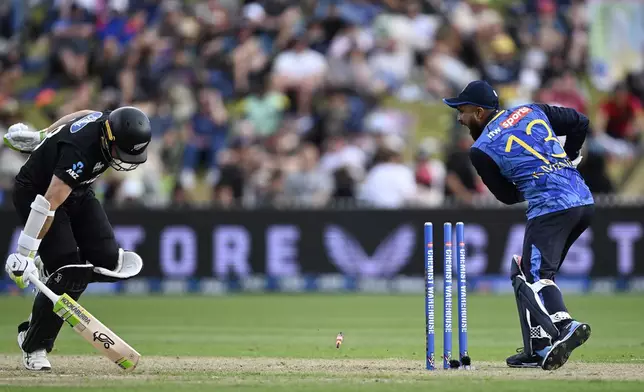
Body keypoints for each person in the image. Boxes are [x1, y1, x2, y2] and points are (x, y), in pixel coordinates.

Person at [443, 81, 594, 371]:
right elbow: (580, 122)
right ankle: (537, 349)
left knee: (534, 276)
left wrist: (533, 181)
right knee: (525, 273)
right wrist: (568, 160)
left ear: (478, 112)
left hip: (550, 209)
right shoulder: (530, 110)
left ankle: (564, 326)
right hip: (583, 201)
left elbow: (506, 196)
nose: (459, 119)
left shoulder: (481, 149)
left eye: (461, 112)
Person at [3, 107, 151, 371]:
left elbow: (82, 113)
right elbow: (48, 203)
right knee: (68, 271)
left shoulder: (106, 121)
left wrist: (42, 135)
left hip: (77, 190)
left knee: (109, 260)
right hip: (38, 193)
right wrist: (24, 254)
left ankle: (51, 271)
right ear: (108, 138)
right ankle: (33, 343)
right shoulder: (79, 153)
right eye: (121, 151)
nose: (123, 159)